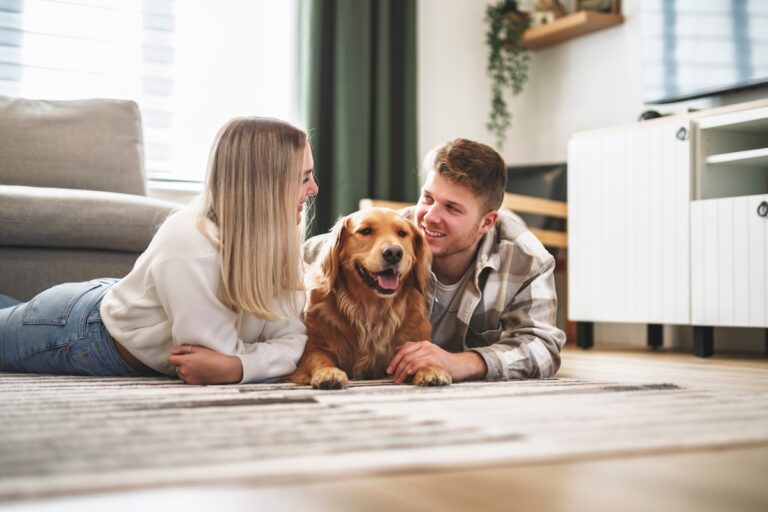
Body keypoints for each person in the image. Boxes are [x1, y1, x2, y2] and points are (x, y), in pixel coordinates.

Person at [0, 117, 319, 385]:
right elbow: (206, 361)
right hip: (81, 329)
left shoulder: (276, 239)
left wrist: (238, 366)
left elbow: (293, 341)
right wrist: (242, 364)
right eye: (304, 178)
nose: (314, 188)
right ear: (265, 185)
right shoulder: (190, 244)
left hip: (128, 302)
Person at [304, 138, 565, 383]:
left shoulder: (527, 259)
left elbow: (543, 347)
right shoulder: (398, 233)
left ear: (486, 222)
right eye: (428, 198)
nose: (429, 218)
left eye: (451, 208)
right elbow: (311, 253)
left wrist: (461, 363)